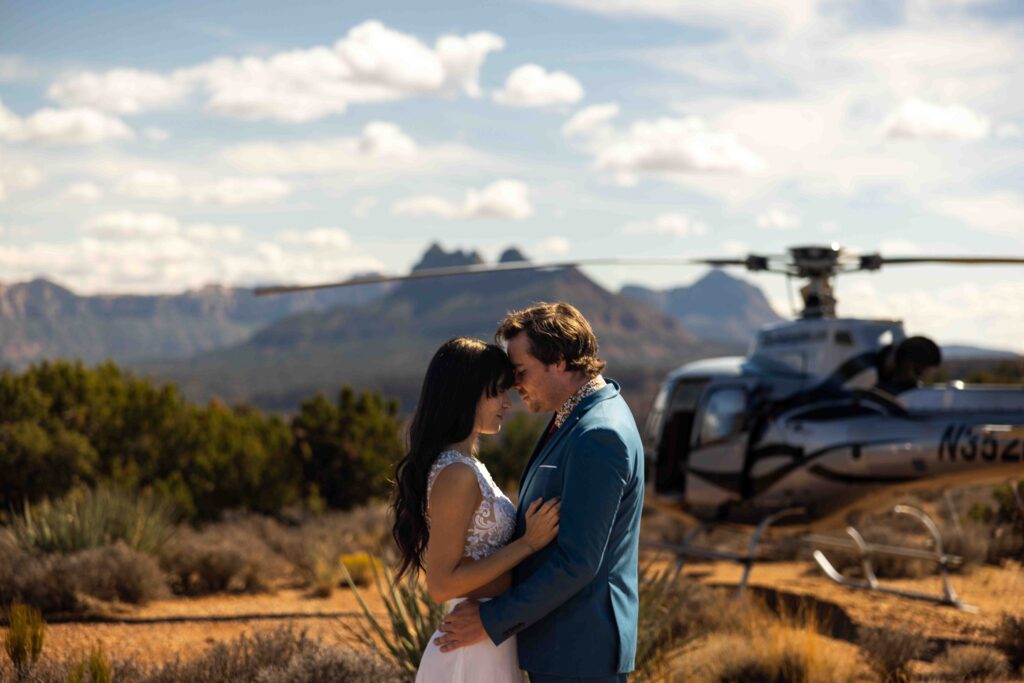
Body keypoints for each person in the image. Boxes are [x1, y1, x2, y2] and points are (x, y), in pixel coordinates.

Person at [436, 302, 645, 683]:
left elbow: (577, 562)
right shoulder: (574, 419)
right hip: (557, 646)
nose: (514, 386)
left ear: (560, 362)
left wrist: (489, 620)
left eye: (521, 371)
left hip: (579, 652)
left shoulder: (598, 434)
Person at [391, 336, 562, 683]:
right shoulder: (456, 474)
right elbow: (441, 584)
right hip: (471, 647)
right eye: (497, 391)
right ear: (465, 394)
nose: (507, 403)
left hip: (488, 635)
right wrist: (528, 544)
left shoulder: (469, 465)